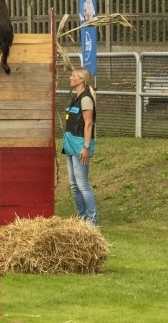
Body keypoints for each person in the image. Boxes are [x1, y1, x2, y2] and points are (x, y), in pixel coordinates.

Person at [62, 66, 99, 226]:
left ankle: (92, 220)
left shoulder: (85, 99)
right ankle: (82, 217)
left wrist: (85, 147)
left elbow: (89, 124)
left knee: (82, 183)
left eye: (73, 76)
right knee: (73, 184)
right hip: (70, 144)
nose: (70, 78)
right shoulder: (76, 98)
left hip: (80, 145)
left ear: (82, 80)